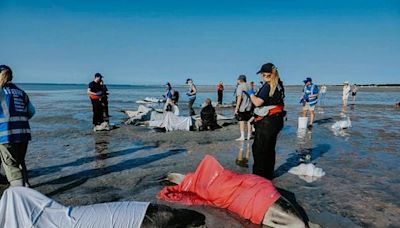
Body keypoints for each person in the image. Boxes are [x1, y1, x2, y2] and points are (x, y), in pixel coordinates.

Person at [246, 63, 285, 180]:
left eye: (262, 74)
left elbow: (258, 102)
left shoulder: (268, 86)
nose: (261, 77)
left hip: (267, 122)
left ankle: (259, 178)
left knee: (260, 150)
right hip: (276, 120)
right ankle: (268, 175)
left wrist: (251, 93)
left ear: (265, 74)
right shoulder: (279, 85)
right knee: (269, 149)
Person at [0, 65, 35, 187]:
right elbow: (31, 111)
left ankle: (19, 196)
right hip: (23, 133)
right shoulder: (20, 92)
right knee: (20, 161)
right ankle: (27, 188)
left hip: (6, 135)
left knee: (11, 167)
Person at [235, 75, 253, 141]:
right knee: (249, 121)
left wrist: (237, 108)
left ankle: (242, 136)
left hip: (242, 107)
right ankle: (249, 136)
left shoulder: (240, 86)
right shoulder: (249, 85)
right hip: (250, 106)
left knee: (241, 121)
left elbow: (239, 98)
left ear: (240, 80)